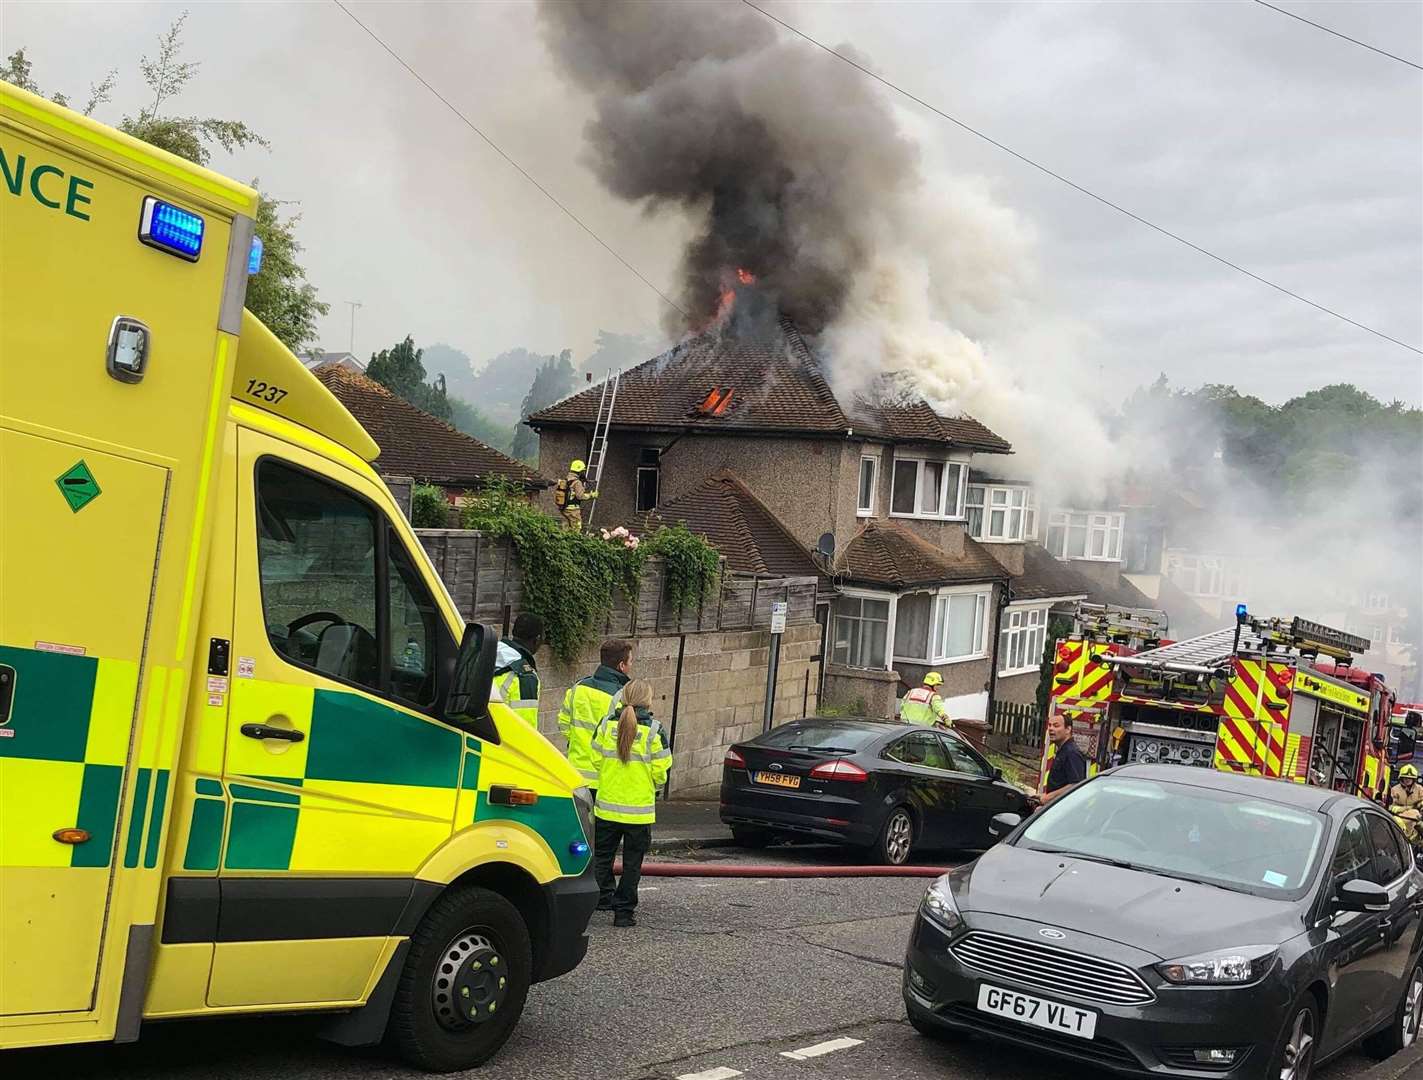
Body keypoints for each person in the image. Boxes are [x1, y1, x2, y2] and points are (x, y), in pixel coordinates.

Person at [590, 679, 670, 927]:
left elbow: (595, 760)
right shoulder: (655, 730)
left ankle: (592, 903)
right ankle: (623, 913)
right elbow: (661, 770)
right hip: (639, 813)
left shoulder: (605, 725)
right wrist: (650, 785)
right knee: (632, 865)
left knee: (601, 859)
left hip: (606, 806)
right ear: (648, 700)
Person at [559, 638, 632, 790]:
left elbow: (564, 725)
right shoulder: (622, 697)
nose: (631, 666)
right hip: (604, 777)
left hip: (575, 773)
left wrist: (579, 744)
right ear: (621, 665)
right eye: (630, 662)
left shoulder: (577, 688)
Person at [495, 612, 543, 728]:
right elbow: (525, 727)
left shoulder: (491, 652)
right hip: (500, 741)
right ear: (537, 640)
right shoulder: (525, 676)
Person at [1040, 713, 1088, 805]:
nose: (1050, 729)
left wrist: (1049, 797)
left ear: (1068, 729)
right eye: (1049, 725)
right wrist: (1044, 796)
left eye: (1056, 726)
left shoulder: (1072, 753)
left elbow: (1076, 785)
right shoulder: (1063, 751)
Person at [554, 459, 598, 532]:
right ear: (579, 471)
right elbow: (580, 496)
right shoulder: (577, 482)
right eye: (582, 471)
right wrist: (591, 495)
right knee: (576, 529)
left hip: (564, 509)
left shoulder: (566, 480)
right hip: (573, 511)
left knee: (566, 529)